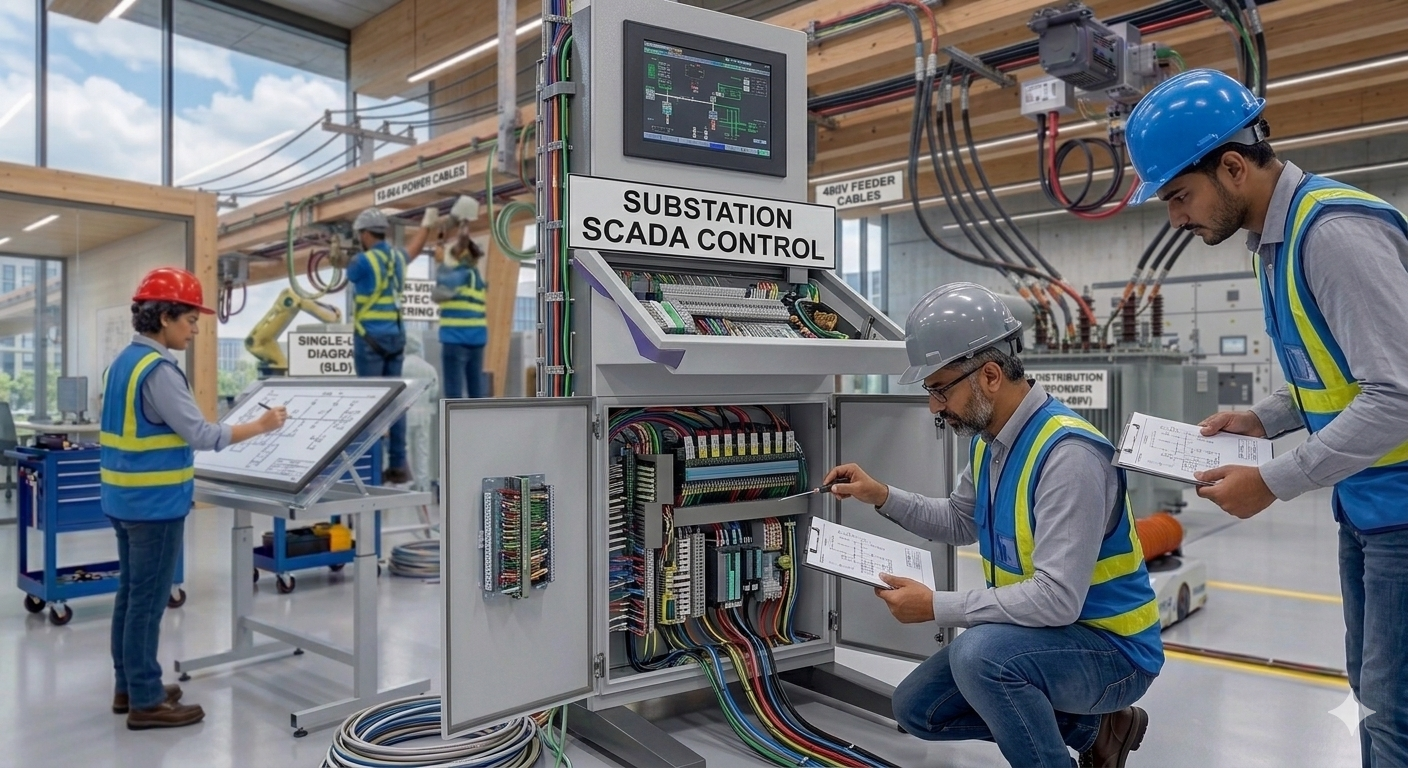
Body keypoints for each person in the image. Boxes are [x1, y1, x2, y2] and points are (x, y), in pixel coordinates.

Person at [1125, 68, 1408, 767]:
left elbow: (1397, 395)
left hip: (1402, 511)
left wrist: (1276, 481)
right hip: (1369, 504)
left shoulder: (1332, 232)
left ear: (1232, 166)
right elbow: (1336, 371)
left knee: (1396, 713)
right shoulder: (1272, 244)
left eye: (1181, 197)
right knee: (1374, 697)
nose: (1177, 218)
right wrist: (1265, 416)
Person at [824, 283, 1162, 768]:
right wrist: (880, 494)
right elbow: (962, 521)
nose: (934, 407)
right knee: (918, 708)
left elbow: (1056, 598)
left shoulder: (1068, 456)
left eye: (940, 389)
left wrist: (937, 606)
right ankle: (1100, 728)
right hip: (1045, 637)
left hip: (1111, 650)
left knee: (980, 655)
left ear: (989, 375)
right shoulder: (990, 442)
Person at [102, 267, 287, 730]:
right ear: (164, 317)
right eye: (189, 319)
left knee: (131, 595)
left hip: (124, 500)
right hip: (155, 504)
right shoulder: (160, 370)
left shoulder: (123, 362)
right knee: (146, 601)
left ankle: (129, 686)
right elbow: (200, 434)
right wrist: (260, 427)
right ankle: (146, 701)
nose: (196, 328)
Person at [347, 207, 437, 484]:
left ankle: (371, 467)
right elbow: (414, 249)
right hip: (396, 340)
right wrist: (427, 225)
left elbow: (348, 272)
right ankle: (398, 464)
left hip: (369, 340)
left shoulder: (361, 262)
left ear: (364, 234)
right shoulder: (398, 259)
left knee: (372, 404)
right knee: (396, 404)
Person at [432, 233, 489, 399]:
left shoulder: (460, 274)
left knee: (453, 393)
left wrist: (441, 263)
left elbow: (438, 293)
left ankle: (454, 425)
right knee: (476, 391)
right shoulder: (477, 278)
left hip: (456, 340)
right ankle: (475, 424)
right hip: (477, 341)